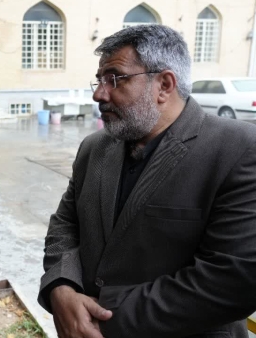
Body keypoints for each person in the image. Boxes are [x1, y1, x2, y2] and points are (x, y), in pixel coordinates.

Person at [38, 24, 256, 338]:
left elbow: (232, 282)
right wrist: (61, 288)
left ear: (164, 85)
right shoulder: (94, 148)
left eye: (114, 78)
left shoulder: (238, 149)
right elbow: (65, 224)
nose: (99, 94)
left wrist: (100, 315)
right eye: (99, 80)